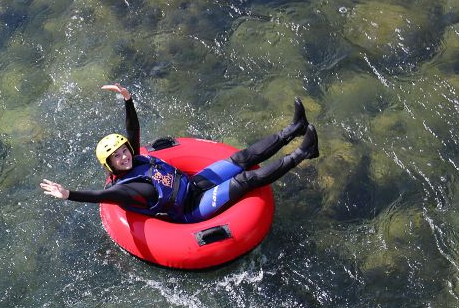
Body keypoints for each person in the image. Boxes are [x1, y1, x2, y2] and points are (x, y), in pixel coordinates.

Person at [40, 84, 319, 223]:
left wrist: (127, 99)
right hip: (191, 209)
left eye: (123, 151)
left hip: (194, 182)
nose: (124, 156)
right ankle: (303, 153)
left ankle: (293, 130)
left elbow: (133, 130)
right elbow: (101, 196)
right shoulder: (127, 190)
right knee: (245, 179)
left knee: (241, 159)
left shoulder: (134, 157)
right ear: (110, 165)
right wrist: (69, 195)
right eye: (117, 157)